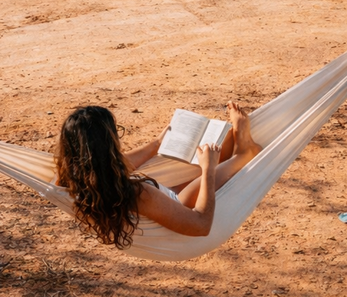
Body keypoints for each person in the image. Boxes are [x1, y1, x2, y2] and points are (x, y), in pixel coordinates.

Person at [54, 102, 261, 248]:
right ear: (108, 146)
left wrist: (157, 144)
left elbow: (114, 165)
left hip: (165, 194)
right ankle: (245, 153)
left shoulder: (76, 178)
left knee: (223, 143)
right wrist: (208, 169)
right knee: (217, 159)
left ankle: (234, 151)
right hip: (182, 206)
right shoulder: (138, 193)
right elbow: (201, 225)